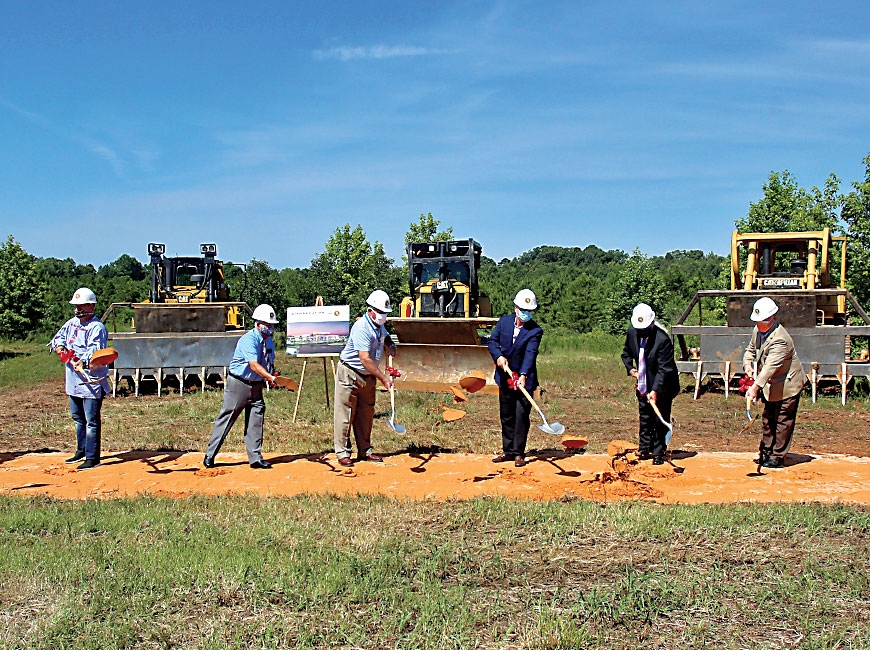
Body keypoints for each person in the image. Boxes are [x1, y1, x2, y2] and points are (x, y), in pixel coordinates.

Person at [204, 304, 280, 469]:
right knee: (227, 417)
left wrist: (272, 375)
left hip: (256, 385)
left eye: (272, 325)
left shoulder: (269, 342)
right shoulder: (248, 340)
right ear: (258, 324)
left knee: (256, 419)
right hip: (239, 384)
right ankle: (210, 455)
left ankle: (255, 457)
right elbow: (253, 365)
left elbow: (268, 363)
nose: (271, 328)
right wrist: (268, 377)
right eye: (268, 325)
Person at [333, 290, 397, 467]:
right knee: (345, 413)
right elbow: (365, 359)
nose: (383, 316)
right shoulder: (362, 327)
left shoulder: (378, 325)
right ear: (370, 310)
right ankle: (343, 452)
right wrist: (384, 378)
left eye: (385, 313)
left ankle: (365, 449)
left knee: (366, 414)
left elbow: (385, 335)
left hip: (368, 377)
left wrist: (390, 344)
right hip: (350, 373)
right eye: (380, 312)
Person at [49, 287, 110, 470]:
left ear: (91, 306)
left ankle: (92, 457)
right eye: (76, 306)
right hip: (73, 380)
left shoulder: (97, 327)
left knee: (91, 420)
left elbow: (95, 352)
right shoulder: (72, 323)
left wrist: (81, 361)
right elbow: (59, 337)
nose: (77, 310)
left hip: (90, 380)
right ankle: (81, 450)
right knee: (77, 417)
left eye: (81, 305)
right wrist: (60, 348)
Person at [743, 297, 807, 469]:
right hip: (770, 385)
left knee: (782, 420)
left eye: (762, 321)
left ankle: (777, 456)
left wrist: (755, 387)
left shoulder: (781, 340)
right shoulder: (757, 331)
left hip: (787, 385)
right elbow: (750, 350)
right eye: (757, 321)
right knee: (768, 418)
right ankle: (766, 451)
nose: (759, 324)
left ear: (773, 318)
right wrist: (748, 365)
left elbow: (770, 367)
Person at [487, 288, 544, 468]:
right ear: (516, 308)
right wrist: (498, 357)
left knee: (521, 415)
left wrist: (524, 374)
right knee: (507, 415)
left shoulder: (535, 331)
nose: (527, 313)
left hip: (524, 379)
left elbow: (530, 353)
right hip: (505, 377)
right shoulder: (503, 322)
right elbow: (492, 342)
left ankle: (519, 452)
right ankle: (508, 451)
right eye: (523, 310)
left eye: (530, 311)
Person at [621, 303, 680, 465]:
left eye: (645, 329)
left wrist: (655, 390)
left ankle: (658, 451)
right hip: (643, 381)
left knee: (660, 417)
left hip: (664, 384)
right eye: (640, 329)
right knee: (645, 415)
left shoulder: (663, 340)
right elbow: (626, 353)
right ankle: (644, 447)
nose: (642, 332)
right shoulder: (632, 332)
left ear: (652, 323)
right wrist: (631, 369)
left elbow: (664, 370)